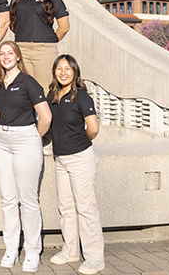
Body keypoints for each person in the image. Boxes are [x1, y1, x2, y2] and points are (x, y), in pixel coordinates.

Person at [0, 41, 52, 273]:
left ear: (18, 57)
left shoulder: (29, 83)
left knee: (28, 201)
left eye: (10, 53)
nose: (6, 56)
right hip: (1, 141)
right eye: (2, 53)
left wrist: (33, 138)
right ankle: (11, 248)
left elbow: (45, 117)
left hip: (25, 138)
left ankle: (32, 251)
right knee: (7, 199)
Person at [47, 55, 104, 275]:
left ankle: (94, 258)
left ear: (74, 72)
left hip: (80, 157)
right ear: (54, 72)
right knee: (66, 208)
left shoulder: (81, 97)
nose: (63, 72)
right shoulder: (52, 96)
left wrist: (80, 141)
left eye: (67, 69)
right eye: (59, 68)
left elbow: (94, 128)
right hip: (60, 159)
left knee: (86, 208)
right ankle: (71, 251)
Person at [9, 0, 70, 92]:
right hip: (21, 49)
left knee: (46, 91)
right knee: (24, 91)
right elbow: (13, 24)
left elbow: (64, 26)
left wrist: (48, 41)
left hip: (44, 51)